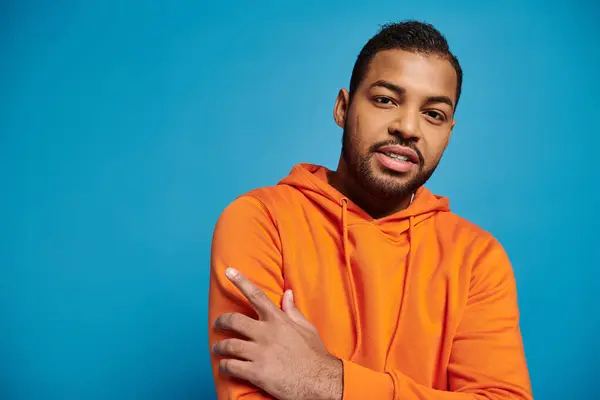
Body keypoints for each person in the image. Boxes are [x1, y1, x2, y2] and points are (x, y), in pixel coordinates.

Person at [207, 20, 533, 400]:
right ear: (343, 108)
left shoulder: (477, 258)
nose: (408, 127)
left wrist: (328, 381)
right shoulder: (261, 221)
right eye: (385, 100)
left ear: (448, 133)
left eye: (434, 114)